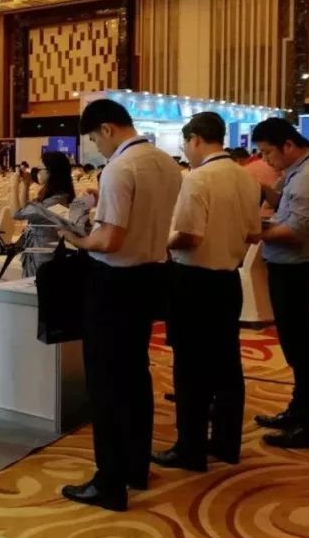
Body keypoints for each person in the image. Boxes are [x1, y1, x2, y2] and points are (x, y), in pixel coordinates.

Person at [60, 99, 182, 511]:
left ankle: (109, 481)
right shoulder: (165, 163)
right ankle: (135, 466)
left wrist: (75, 238)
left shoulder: (119, 168)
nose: (97, 147)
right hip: (151, 278)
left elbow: (109, 240)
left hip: (114, 284)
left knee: (106, 383)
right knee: (134, 375)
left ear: (108, 129)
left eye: (95, 139)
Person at [153, 113, 262, 473]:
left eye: (185, 143)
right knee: (227, 365)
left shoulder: (198, 178)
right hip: (228, 281)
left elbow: (189, 235)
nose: (186, 150)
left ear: (196, 139)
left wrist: (161, 242)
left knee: (190, 369)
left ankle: (191, 449)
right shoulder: (246, 177)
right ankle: (227, 444)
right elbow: (254, 233)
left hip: (193, 282)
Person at [252, 118, 309, 449]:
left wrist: (254, 232)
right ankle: (300, 410)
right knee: (297, 348)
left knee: (304, 350)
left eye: (268, 152)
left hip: (300, 272)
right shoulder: (300, 171)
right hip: (291, 269)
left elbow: (297, 231)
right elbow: (288, 212)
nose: (266, 160)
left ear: (288, 145)